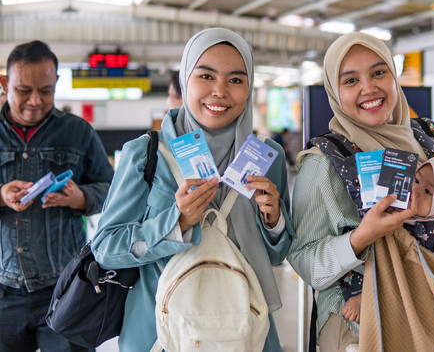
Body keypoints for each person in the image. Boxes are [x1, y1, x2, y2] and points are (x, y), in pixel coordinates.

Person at [287, 32, 434, 352]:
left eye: (379, 72)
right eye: (350, 80)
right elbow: (303, 260)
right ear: (334, 92)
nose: (369, 87)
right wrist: (359, 238)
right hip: (364, 329)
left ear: (394, 78)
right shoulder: (324, 163)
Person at [91, 28, 294, 352]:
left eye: (236, 80)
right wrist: (177, 223)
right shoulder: (146, 154)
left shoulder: (265, 156)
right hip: (160, 335)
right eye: (206, 76)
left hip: (246, 333)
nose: (220, 91)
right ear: (186, 79)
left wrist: (274, 222)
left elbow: (275, 254)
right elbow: (106, 247)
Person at [0, 40, 114, 352]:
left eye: (46, 90)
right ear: (4, 83)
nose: (35, 100)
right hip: (3, 293)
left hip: (65, 289)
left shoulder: (78, 132)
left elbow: (113, 190)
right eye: (24, 90)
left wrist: (80, 198)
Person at [340, 155, 434, 323]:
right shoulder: (425, 217)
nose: (415, 191)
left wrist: (366, 296)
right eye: (415, 180)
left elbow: (414, 278)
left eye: (428, 191)